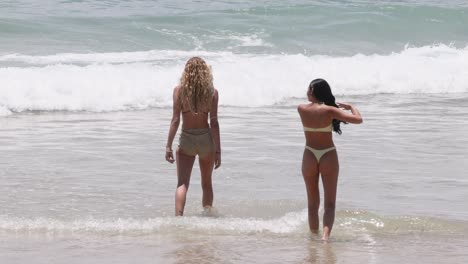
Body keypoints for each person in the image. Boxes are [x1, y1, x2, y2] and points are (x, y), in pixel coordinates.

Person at [297, 79, 362, 240]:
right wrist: (351, 107)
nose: (306, 92)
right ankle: (325, 239)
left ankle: (313, 238)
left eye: (308, 89)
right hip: (328, 155)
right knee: (330, 204)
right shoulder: (331, 111)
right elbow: (358, 120)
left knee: (312, 205)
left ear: (313, 91)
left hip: (309, 156)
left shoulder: (301, 109)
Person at [165, 57, 221, 216]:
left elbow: (175, 120)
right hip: (206, 140)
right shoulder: (212, 92)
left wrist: (168, 145)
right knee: (206, 183)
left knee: (182, 183)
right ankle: (208, 216)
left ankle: (178, 219)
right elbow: (214, 123)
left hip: (187, 139)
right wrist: (218, 151)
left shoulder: (179, 91)